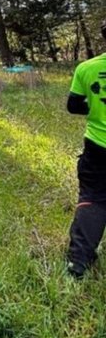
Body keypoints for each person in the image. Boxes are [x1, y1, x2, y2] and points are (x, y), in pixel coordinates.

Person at [66, 19, 106, 278]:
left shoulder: (87, 68)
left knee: (93, 199)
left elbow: (73, 105)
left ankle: (78, 263)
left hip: (97, 148)